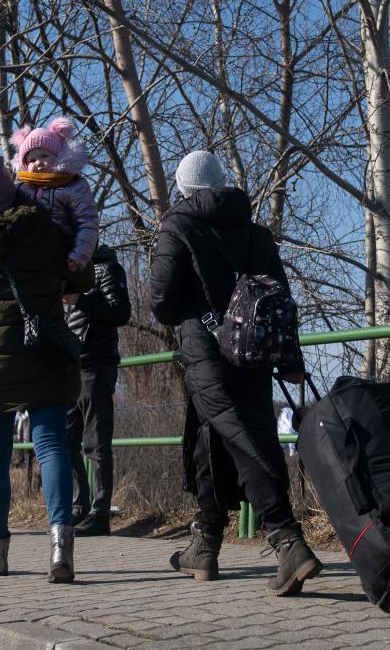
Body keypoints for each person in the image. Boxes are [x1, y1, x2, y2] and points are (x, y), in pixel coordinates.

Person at [151, 149, 323, 596]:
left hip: (206, 352)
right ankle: (205, 544)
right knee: (216, 435)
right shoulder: (257, 233)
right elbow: (281, 301)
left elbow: (162, 304)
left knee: (242, 440)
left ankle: (288, 540)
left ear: (184, 189)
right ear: (223, 183)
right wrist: (290, 360)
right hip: (254, 356)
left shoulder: (178, 226)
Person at [0, 155, 81, 582]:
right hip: (44, 352)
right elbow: (81, 279)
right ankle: (61, 546)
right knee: (52, 447)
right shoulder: (46, 228)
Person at [64, 243, 131, 536]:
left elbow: (120, 312)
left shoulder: (108, 268)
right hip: (70, 366)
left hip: (96, 365)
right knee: (66, 442)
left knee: (95, 443)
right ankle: (79, 505)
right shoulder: (69, 272)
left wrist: (80, 300)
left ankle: (100, 513)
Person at [10, 118, 99, 283]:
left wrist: (78, 255)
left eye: (44, 155)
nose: (38, 163)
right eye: (32, 160)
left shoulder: (73, 185)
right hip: (26, 257)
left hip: (61, 254)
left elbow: (87, 221)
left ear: (58, 156)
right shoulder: (20, 188)